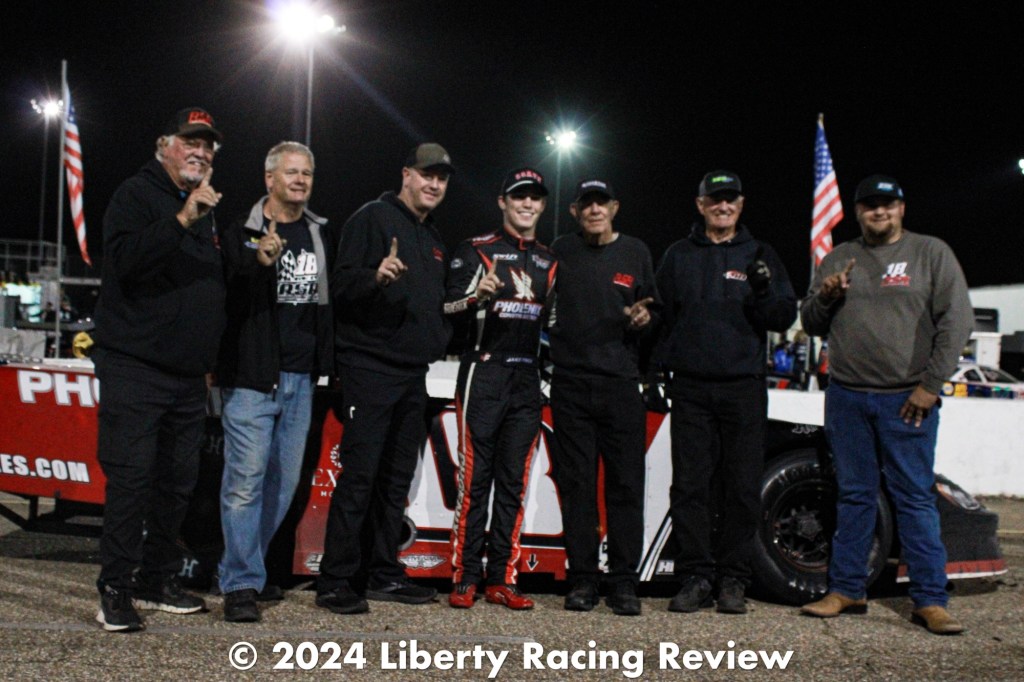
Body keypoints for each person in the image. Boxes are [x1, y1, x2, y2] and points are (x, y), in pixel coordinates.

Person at [799, 175, 974, 635]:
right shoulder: (839, 256)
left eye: (887, 204)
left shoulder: (930, 252)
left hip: (907, 398)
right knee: (854, 495)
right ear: (857, 212)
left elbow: (957, 321)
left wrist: (930, 385)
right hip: (847, 397)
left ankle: (930, 599)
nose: (879, 211)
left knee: (914, 498)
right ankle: (847, 589)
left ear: (901, 208)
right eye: (870, 205)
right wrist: (827, 295)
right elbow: (811, 323)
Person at [91, 107, 226, 632]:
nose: (201, 152)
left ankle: (156, 578)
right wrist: (181, 220)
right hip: (135, 368)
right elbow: (124, 263)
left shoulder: (204, 207)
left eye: (208, 146)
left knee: (176, 484)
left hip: (187, 376)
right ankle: (115, 589)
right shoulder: (136, 195)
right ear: (163, 145)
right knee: (131, 483)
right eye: (191, 142)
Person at [316, 143, 454, 615]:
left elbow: (432, 307)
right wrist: (374, 278)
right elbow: (339, 287)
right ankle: (335, 580)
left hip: (413, 374)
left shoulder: (432, 237)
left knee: (395, 482)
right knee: (360, 477)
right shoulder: (371, 218)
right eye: (426, 174)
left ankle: (383, 572)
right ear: (406, 174)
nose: (434, 184)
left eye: (441, 178)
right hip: (370, 368)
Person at [656, 170, 796, 615]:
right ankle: (695, 576)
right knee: (690, 486)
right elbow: (659, 317)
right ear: (700, 205)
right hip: (691, 388)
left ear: (741, 204)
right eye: (715, 199)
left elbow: (782, 317)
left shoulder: (761, 254)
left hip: (743, 388)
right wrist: (656, 370)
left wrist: (763, 289)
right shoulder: (678, 255)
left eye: (730, 199)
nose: (723, 206)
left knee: (741, 487)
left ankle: (734, 578)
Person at [215, 141, 333, 622]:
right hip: (251, 377)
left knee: (282, 487)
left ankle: (250, 569)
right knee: (244, 484)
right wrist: (258, 260)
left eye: (307, 173)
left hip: (302, 378)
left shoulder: (319, 232)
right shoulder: (240, 231)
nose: (300, 180)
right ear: (269, 179)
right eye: (291, 172)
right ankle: (240, 582)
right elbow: (227, 288)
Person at [443, 168, 556, 610]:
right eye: (519, 196)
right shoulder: (477, 250)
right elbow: (447, 307)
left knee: (514, 483)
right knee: (475, 480)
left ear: (542, 205)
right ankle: (465, 576)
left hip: (527, 379)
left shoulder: (550, 261)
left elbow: (556, 324)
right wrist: (477, 296)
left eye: (534, 198)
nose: (527, 204)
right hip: (483, 373)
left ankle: (502, 579)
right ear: (503, 202)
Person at [547, 179, 659, 617]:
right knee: (577, 486)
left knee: (626, 484)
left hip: (620, 384)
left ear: (614, 207)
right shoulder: (561, 250)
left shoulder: (636, 251)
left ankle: (624, 581)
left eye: (601, 203)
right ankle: (583, 579)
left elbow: (654, 310)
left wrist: (645, 318)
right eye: (586, 204)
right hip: (571, 384)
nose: (595, 210)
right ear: (575, 212)